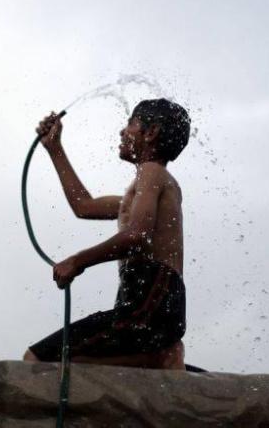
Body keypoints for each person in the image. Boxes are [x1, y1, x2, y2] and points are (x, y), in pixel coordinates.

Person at [23, 99, 191, 370]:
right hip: (151, 305)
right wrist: (55, 148)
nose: (122, 131)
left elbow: (138, 236)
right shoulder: (141, 189)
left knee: (38, 359)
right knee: (88, 366)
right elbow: (84, 206)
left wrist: (77, 261)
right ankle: (162, 355)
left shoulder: (152, 173)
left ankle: (163, 355)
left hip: (151, 300)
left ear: (151, 133)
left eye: (131, 124)